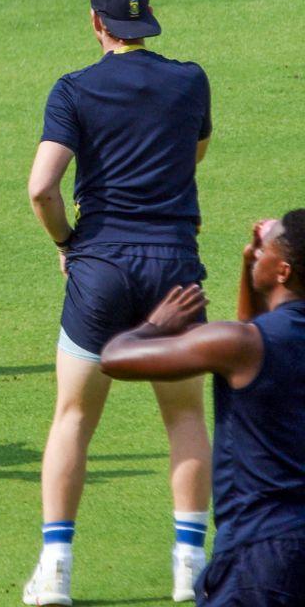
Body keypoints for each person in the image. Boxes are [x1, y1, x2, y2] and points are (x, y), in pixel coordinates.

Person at [23, 0, 214, 604]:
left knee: (74, 417)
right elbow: (193, 153)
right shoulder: (190, 81)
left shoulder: (73, 89)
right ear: (147, 20)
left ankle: (55, 571)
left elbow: (41, 188)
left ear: (96, 23)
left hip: (99, 268)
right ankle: (190, 565)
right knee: (184, 415)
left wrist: (66, 243)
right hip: (173, 272)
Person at [101, 212, 305, 606]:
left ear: (283, 271)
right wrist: (252, 264)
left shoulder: (241, 345)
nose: (255, 250)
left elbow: (114, 358)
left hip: (259, 554)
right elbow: (260, 333)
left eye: (264, 248)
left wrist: (154, 326)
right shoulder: (250, 345)